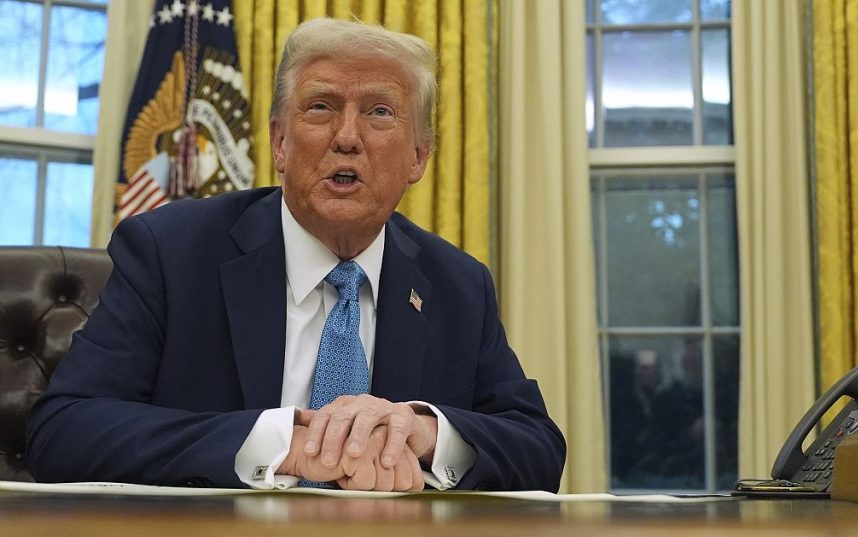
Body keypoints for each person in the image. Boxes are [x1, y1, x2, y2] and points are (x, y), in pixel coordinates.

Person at [25, 17, 566, 493]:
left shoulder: (456, 284)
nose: (347, 137)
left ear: (419, 156)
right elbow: (65, 431)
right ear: (280, 144)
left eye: (379, 112)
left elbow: (539, 448)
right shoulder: (171, 251)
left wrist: (425, 432)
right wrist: (279, 443)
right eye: (320, 108)